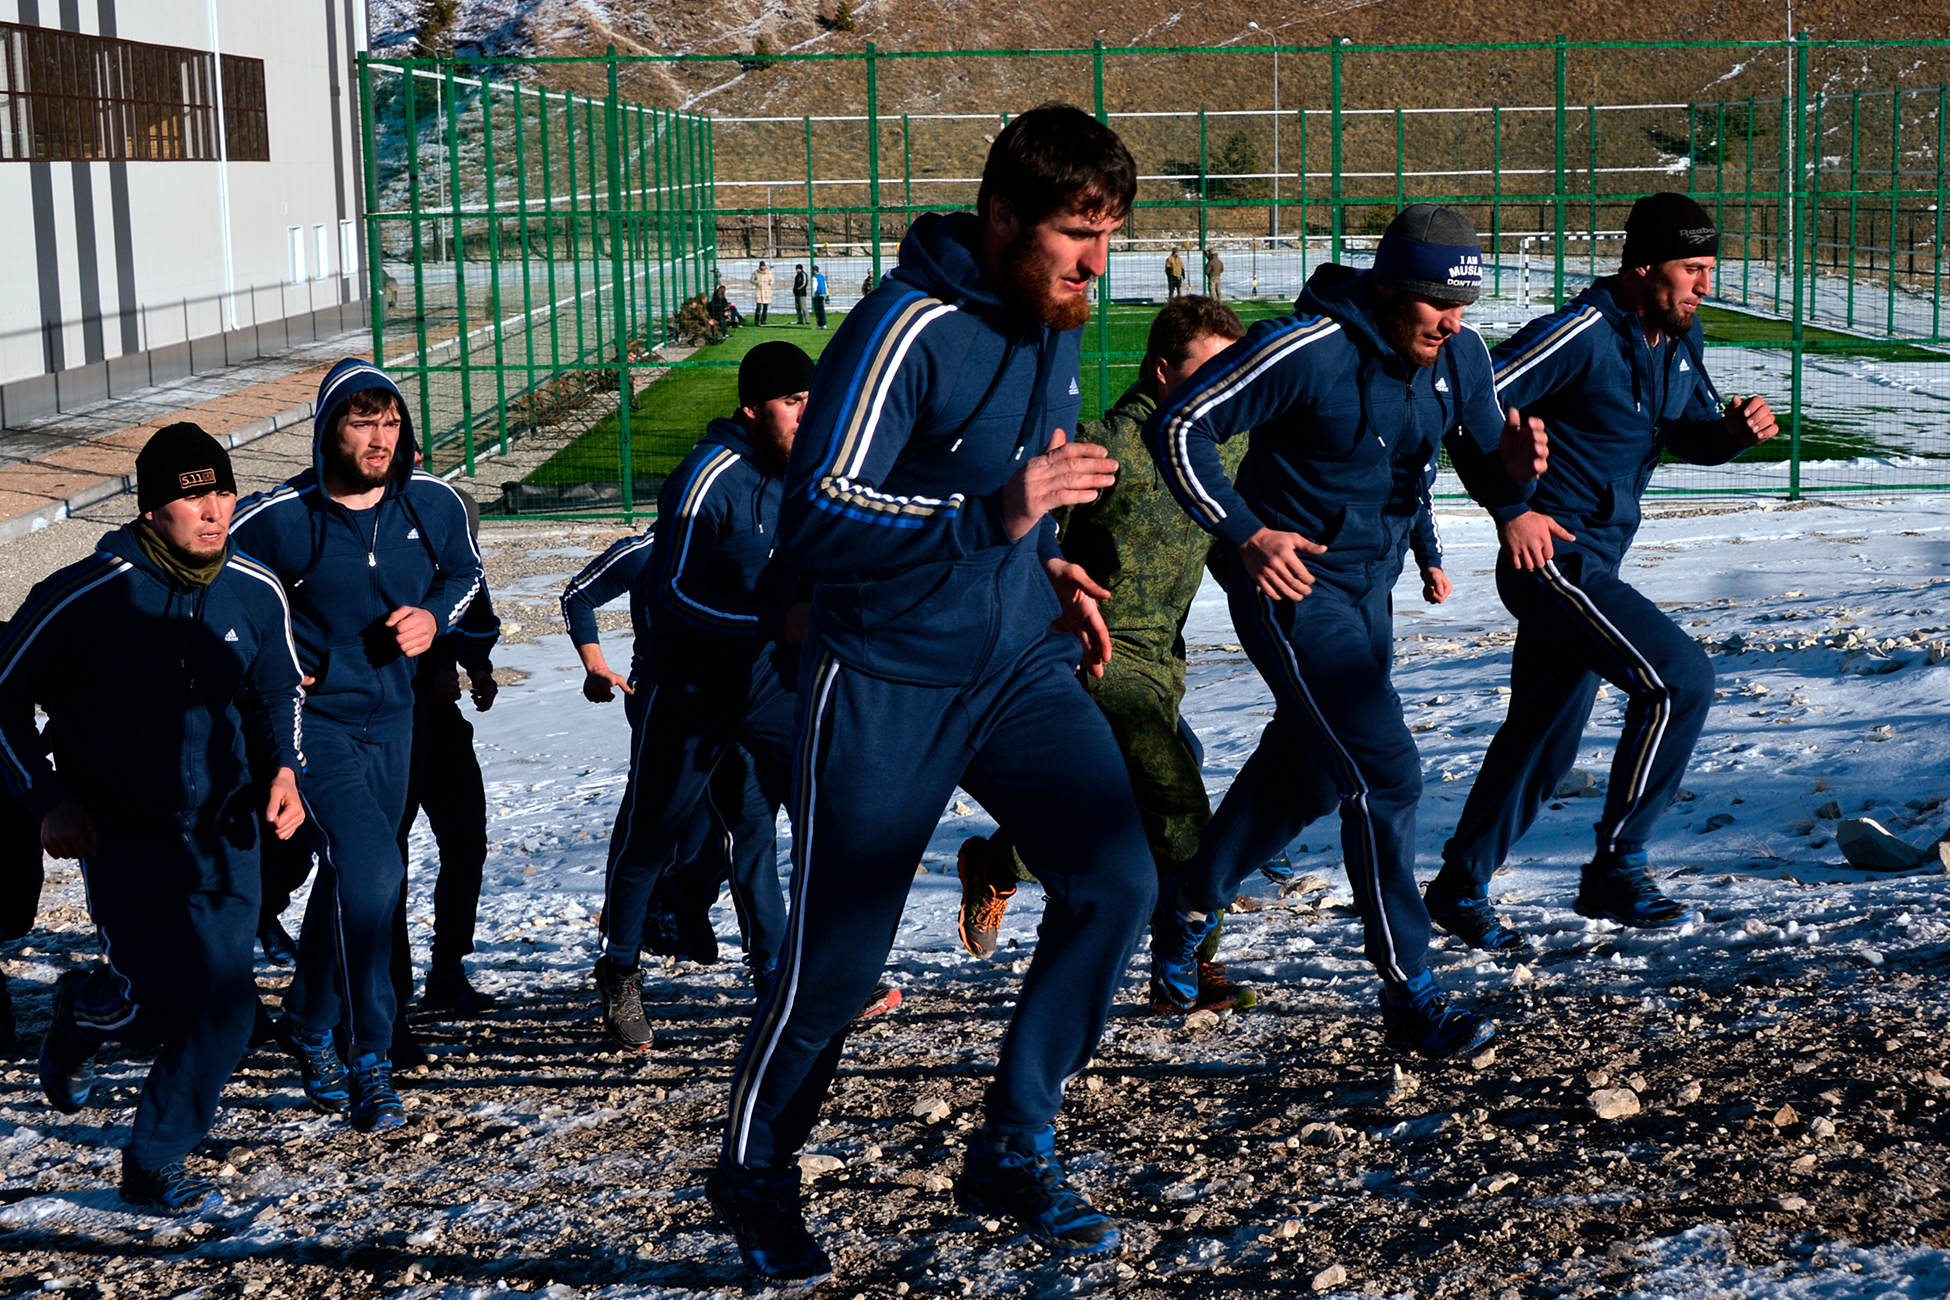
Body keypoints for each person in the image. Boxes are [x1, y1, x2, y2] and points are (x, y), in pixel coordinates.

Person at [711, 102, 1154, 1283]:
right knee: (840, 968)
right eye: (1075, 232)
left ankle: (1014, 1143)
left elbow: (998, 503)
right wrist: (995, 518)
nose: (1096, 263)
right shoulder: (905, 326)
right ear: (1004, 215)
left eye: (1108, 233)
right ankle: (754, 1171)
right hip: (885, 683)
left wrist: (1043, 566)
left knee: (1116, 879)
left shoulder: (1051, 317)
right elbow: (819, 512)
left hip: (1015, 666)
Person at [1142, 205, 1549, 1060]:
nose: (1453, 323)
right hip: (1288, 584)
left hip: (1373, 584)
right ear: (1392, 288)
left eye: (1464, 307)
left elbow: (1479, 451)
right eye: (1437, 304)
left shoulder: (1459, 354)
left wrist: (1513, 495)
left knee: (1316, 771)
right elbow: (1179, 427)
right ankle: (1410, 992)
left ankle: (1189, 900)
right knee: (1386, 775)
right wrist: (1246, 532)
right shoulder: (1307, 347)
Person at [954, 295, 1331, 1017]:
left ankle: (999, 859)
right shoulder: (1104, 449)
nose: (1227, 387)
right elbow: (1025, 544)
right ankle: (1187, 970)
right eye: (1208, 371)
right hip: (1092, 658)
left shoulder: (1225, 446)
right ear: (1163, 371)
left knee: (1116, 811)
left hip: (1164, 662)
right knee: (1180, 809)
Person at [1425, 193, 1777, 949]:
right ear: (1643, 266)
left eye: (1708, 268)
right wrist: (1510, 507)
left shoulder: (1681, 339)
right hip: (1553, 557)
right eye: (1692, 268)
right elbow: (1465, 393)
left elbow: (1685, 433)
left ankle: (1459, 885)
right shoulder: (1580, 333)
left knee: (1544, 737)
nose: (1703, 285)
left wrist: (1732, 434)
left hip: (1600, 560)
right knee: (1679, 677)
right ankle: (1617, 865)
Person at [0, 423, 304, 1213]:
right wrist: (47, 800)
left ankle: (154, 1158)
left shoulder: (253, 587)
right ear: (152, 507)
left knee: (229, 1007)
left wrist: (283, 770)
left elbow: (274, 691)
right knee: (162, 990)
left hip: (228, 833)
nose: (214, 510)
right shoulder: (83, 595)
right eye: (192, 494)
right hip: (124, 834)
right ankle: (83, 1011)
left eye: (223, 490)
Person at [230, 360, 483, 1133]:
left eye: (390, 423)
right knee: (377, 870)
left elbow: (468, 574)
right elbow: (213, 576)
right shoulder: (280, 519)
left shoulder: (434, 502)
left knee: (357, 886)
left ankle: (308, 1020)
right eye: (360, 423)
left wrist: (436, 619)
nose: (379, 440)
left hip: (398, 722)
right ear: (326, 431)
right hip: (317, 725)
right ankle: (367, 1052)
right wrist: (272, 661)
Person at [582, 341, 814, 1049]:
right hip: (687, 689)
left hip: (768, 685)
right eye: (793, 402)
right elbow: (675, 593)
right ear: (753, 408)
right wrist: (776, 621)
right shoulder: (705, 478)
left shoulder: (807, 471)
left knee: (812, 818)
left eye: (814, 401)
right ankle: (620, 968)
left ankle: (789, 972)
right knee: (652, 837)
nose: (809, 416)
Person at [388, 544, 501, 1071]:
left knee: (466, 842)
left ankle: (448, 968)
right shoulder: (380, 551)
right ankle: (389, 995)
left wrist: (477, 666)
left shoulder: (451, 553)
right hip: (387, 727)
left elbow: (477, 618)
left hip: (441, 724)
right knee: (390, 860)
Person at [752, 260, 775, 327]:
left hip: (766, 292)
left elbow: (772, 280)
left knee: (765, 307)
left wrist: (770, 283)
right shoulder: (756, 273)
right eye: (762, 266)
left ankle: (763, 320)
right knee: (758, 307)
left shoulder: (769, 273)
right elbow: (751, 280)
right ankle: (756, 321)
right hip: (759, 291)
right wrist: (757, 282)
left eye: (764, 266)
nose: (763, 268)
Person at [809, 265, 828, 329]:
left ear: (814, 270)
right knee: (822, 309)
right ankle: (823, 323)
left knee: (818, 310)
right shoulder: (822, 277)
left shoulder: (814, 278)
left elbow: (814, 287)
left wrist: (813, 295)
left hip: (817, 295)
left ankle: (820, 324)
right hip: (823, 294)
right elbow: (825, 286)